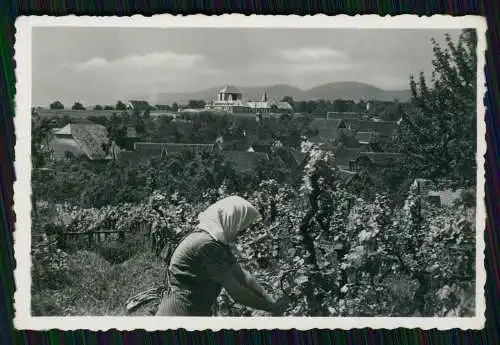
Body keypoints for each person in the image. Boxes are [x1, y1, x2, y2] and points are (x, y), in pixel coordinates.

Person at [155, 195, 285, 316]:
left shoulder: (214, 240)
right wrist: (271, 307)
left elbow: (242, 276)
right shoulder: (207, 245)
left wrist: (271, 301)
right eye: (241, 227)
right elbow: (236, 291)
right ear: (232, 221)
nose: (242, 233)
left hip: (192, 307)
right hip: (180, 311)